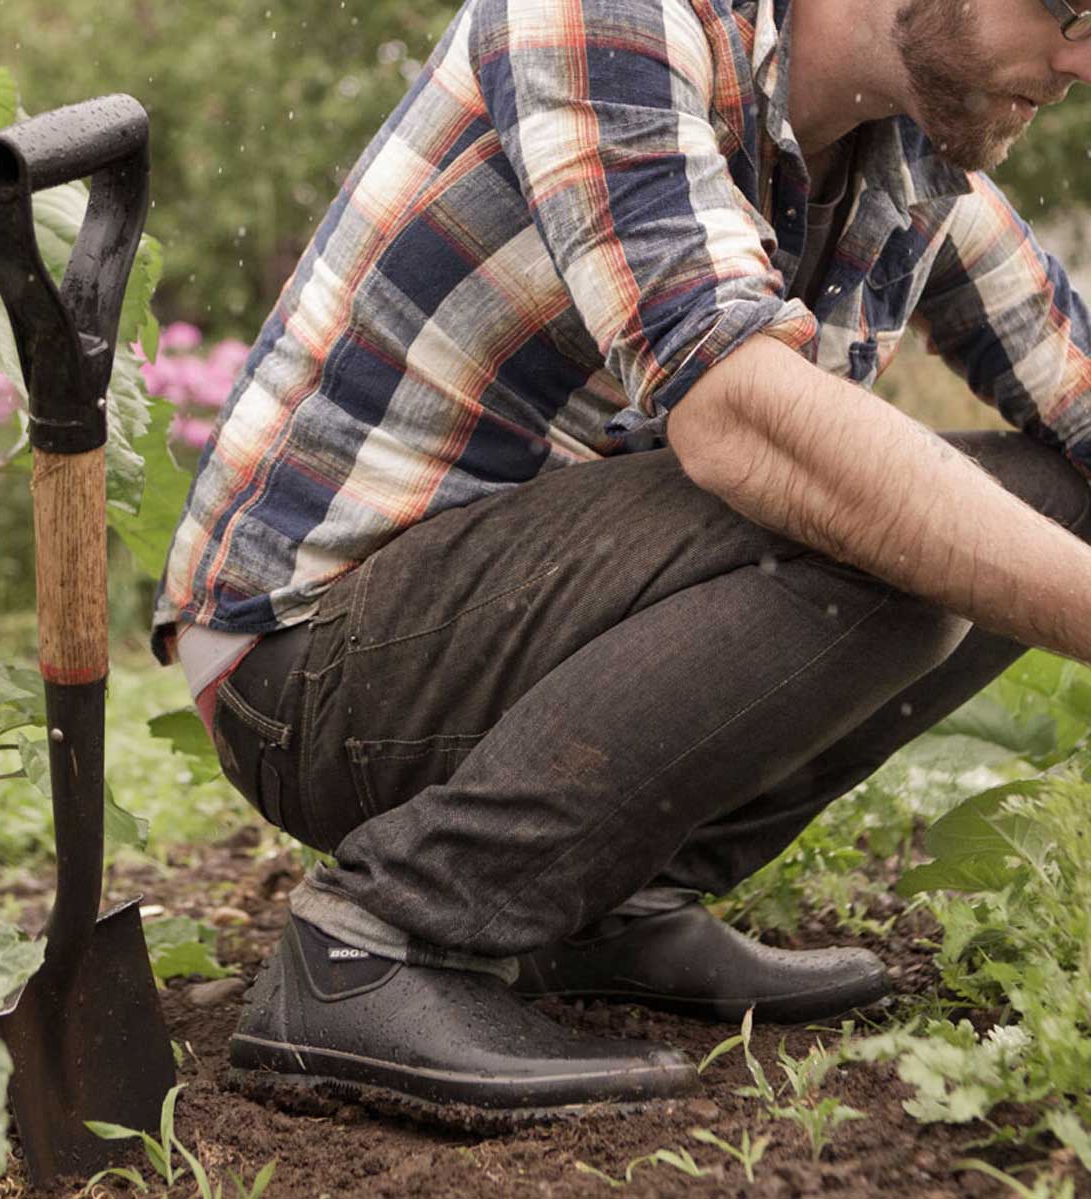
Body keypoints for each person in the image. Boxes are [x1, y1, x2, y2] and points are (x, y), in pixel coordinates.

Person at [152, 0, 1091, 1125]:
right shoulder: (603, 21)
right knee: (881, 523)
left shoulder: (905, 170)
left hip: (506, 630)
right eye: (1069, 6)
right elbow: (743, 415)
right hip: (308, 656)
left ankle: (610, 907)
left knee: (1045, 503)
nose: (1084, 55)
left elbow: (1076, 390)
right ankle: (376, 944)